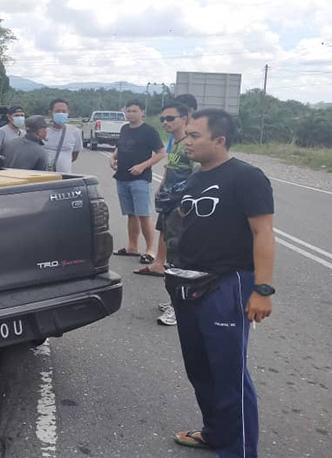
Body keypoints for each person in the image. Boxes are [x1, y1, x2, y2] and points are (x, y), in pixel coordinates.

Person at [168, 109, 274, 457]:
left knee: (229, 377)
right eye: (187, 135)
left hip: (228, 286)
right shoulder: (194, 179)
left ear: (220, 140)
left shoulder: (246, 177)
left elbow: (263, 233)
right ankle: (215, 433)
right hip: (188, 284)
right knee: (200, 370)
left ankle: (240, 451)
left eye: (195, 136)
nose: (187, 141)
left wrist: (262, 289)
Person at [134, 102, 197, 326]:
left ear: (184, 118)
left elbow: (197, 178)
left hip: (182, 208)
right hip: (170, 204)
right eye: (163, 119)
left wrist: (184, 207)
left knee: (180, 258)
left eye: (170, 118)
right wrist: (162, 190)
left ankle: (180, 306)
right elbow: (172, 168)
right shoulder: (176, 142)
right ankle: (175, 299)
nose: (166, 123)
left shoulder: (191, 145)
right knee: (172, 257)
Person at [109, 100, 166, 265]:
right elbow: (120, 147)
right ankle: (132, 247)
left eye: (134, 111)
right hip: (122, 177)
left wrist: (142, 166)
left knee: (143, 214)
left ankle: (150, 250)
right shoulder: (124, 129)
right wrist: (113, 158)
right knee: (131, 214)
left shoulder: (149, 131)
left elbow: (161, 153)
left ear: (142, 112)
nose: (131, 114)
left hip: (140, 179)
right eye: (128, 111)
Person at [43, 98, 83, 173]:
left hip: (64, 178)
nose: (61, 114)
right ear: (50, 113)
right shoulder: (43, 131)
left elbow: (74, 155)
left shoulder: (74, 132)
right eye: (57, 111)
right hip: (43, 176)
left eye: (64, 111)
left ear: (68, 113)